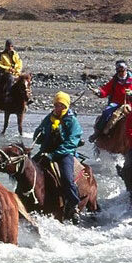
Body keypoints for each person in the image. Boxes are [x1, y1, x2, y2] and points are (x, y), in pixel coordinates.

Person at [33, 91, 83, 224]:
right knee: (27, 168)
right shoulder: (49, 118)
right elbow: (38, 138)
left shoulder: (72, 121)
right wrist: (39, 133)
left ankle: (73, 205)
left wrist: (54, 154)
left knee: (67, 179)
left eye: (61, 105)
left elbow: (72, 142)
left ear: (66, 106)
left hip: (64, 153)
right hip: (46, 151)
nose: (58, 108)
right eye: (56, 105)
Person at [89, 60, 132, 142]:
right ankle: (97, 133)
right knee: (106, 113)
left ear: (126, 69)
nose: (121, 72)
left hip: (131, 104)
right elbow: (105, 90)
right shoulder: (114, 81)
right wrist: (99, 92)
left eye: (123, 70)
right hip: (116, 104)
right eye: (119, 70)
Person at [0, 39, 23, 103]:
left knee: (25, 79)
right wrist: (8, 69)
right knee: (10, 79)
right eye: (8, 46)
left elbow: (19, 63)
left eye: (11, 46)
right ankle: (8, 94)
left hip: (16, 72)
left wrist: (17, 70)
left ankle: (26, 97)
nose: (10, 48)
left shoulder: (16, 54)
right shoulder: (2, 55)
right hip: (6, 73)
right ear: (6, 47)